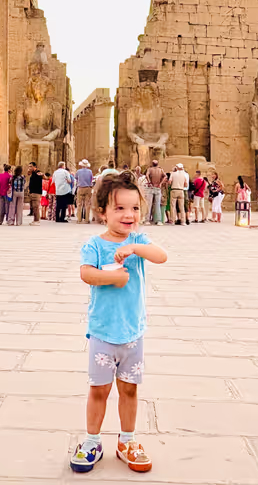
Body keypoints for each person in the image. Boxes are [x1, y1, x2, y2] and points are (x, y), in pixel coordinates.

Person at [71, 171, 168, 474]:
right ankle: (92, 440)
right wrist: (113, 277)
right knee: (98, 389)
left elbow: (161, 256)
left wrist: (135, 248)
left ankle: (127, 440)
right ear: (103, 212)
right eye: (120, 208)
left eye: (135, 208)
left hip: (132, 334)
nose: (129, 215)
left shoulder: (139, 241)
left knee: (129, 390)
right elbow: (86, 274)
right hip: (102, 332)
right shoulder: (95, 245)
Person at [144, 160, 165, 226]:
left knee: (149, 204)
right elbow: (165, 176)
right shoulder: (160, 170)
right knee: (157, 205)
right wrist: (161, 183)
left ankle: (147, 220)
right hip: (158, 187)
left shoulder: (150, 169)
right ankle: (158, 220)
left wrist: (149, 182)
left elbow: (147, 175)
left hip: (151, 187)